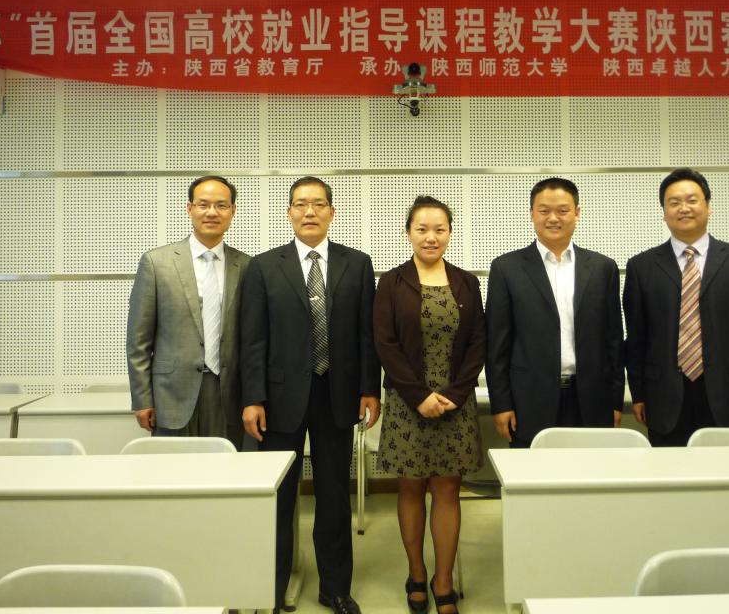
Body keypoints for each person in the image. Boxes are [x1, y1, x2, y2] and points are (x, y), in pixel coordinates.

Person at [240, 176, 380, 614]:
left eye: (318, 204)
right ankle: (272, 589)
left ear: (332, 212)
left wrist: (369, 389)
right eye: (301, 204)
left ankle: (335, 588)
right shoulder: (264, 267)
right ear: (289, 213)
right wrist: (252, 397)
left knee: (334, 495)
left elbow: (366, 335)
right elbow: (253, 340)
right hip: (279, 398)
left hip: (337, 394)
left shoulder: (357, 264)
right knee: (278, 497)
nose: (310, 212)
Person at [374, 196, 484, 614]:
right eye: (422, 229)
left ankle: (443, 579)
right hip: (408, 402)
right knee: (411, 486)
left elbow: (478, 343)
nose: (431, 237)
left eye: (439, 229)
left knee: (448, 489)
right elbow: (385, 343)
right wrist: (419, 396)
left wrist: (454, 394)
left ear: (450, 233)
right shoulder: (391, 282)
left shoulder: (466, 282)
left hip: (455, 401)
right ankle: (417, 572)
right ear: (408, 233)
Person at [624, 168, 729, 446]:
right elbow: (636, 339)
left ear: (708, 206)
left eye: (692, 200)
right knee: (669, 469)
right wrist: (639, 394)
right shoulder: (641, 267)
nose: (684, 208)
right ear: (664, 212)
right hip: (664, 396)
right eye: (674, 202)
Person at [485, 177, 624, 448]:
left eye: (562, 210)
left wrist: (615, 400)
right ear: (531, 214)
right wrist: (501, 403)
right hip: (529, 401)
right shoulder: (506, 268)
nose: (553, 218)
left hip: (592, 400)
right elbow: (497, 345)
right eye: (544, 210)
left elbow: (614, 341)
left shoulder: (602, 268)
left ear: (577, 213)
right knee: (533, 472)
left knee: (590, 472)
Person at [126, 175, 249, 448]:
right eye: (203, 204)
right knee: (174, 470)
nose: (212, 212)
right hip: (171, 394)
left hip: (228, 393)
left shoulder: (247, 266)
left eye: (221, 205)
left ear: (233, 211)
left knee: (226, 468)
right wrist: (142, 398)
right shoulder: (156, 263)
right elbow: (138, 341)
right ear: (189, 208)